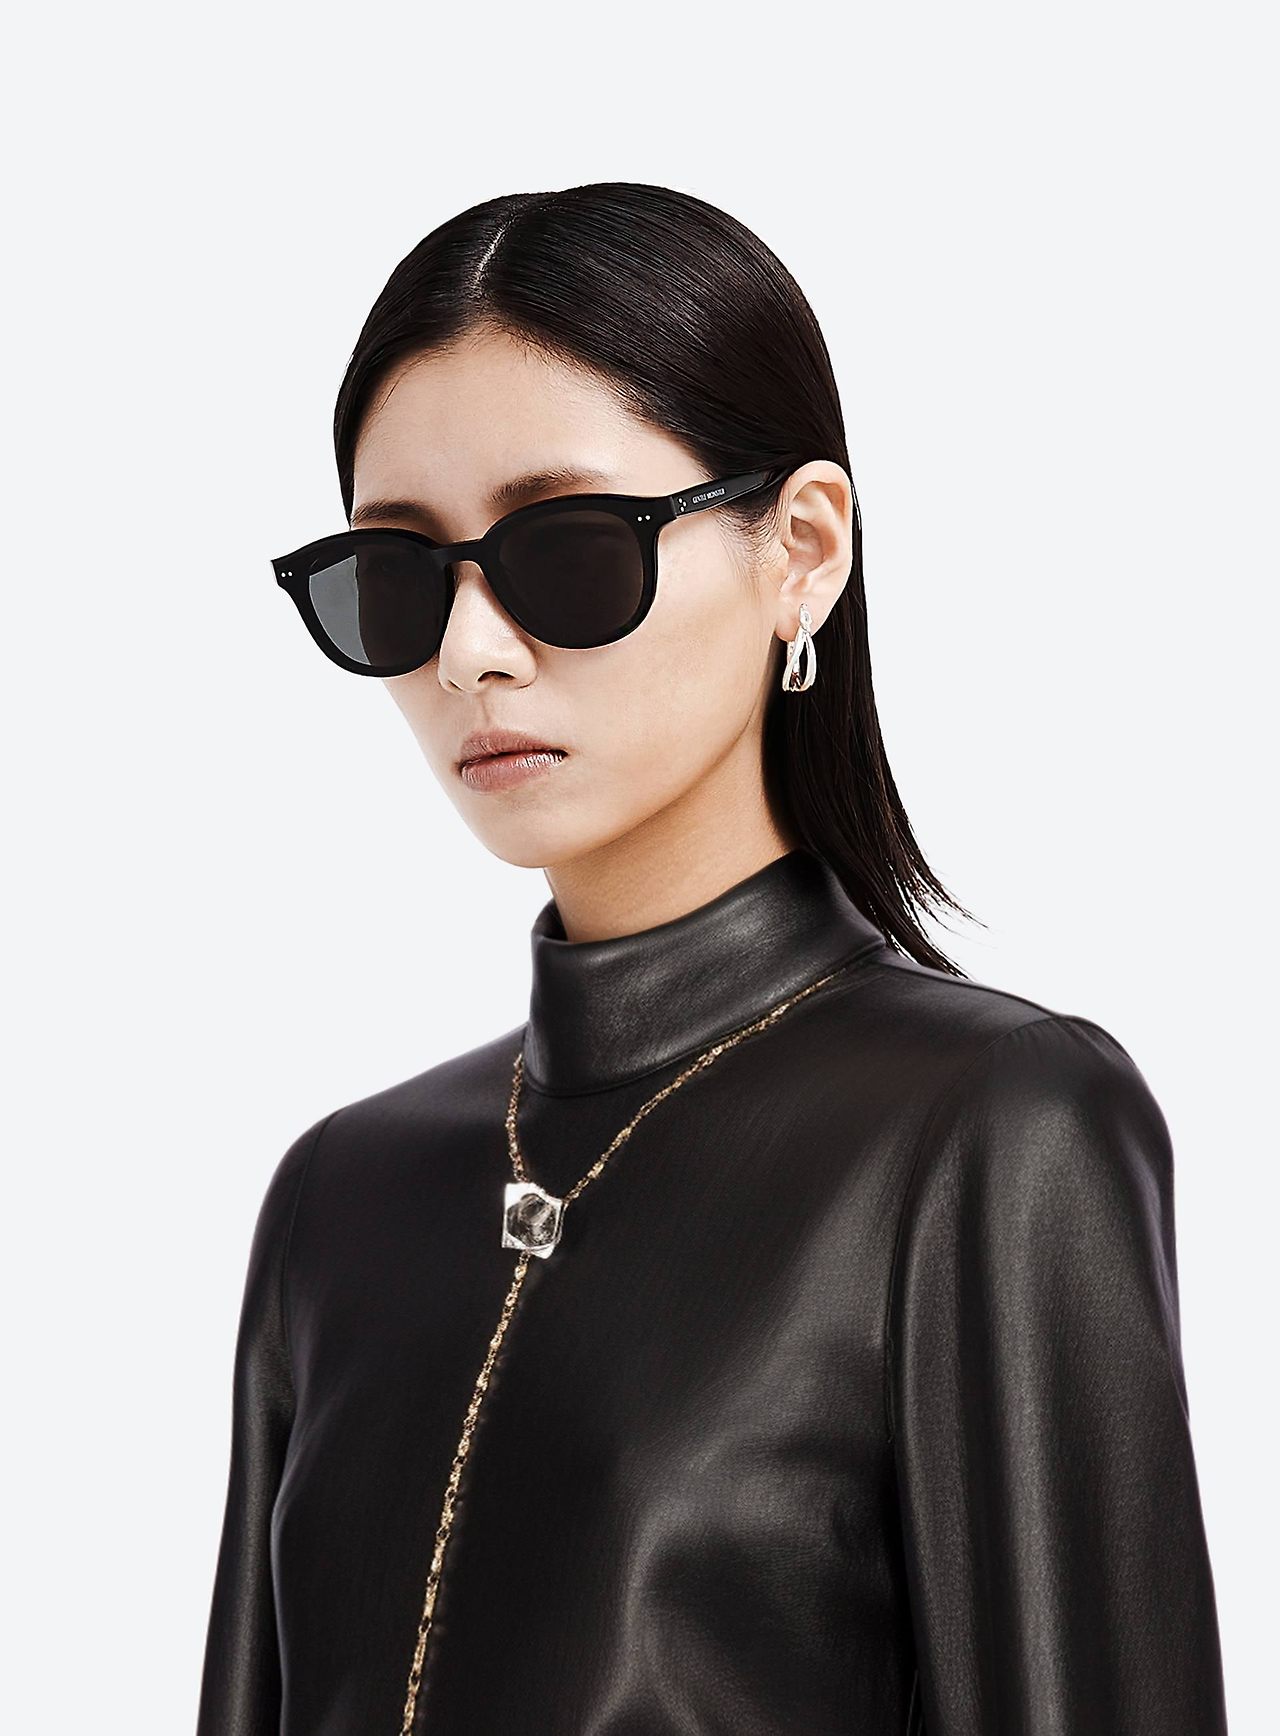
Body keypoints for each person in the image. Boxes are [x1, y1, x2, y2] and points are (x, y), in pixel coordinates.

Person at [195, 183, 1228, 1735]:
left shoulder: (991, 1129)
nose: (471, 652)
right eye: (397, 578)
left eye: (565, 552)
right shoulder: (339, 1197)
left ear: (801, 549)